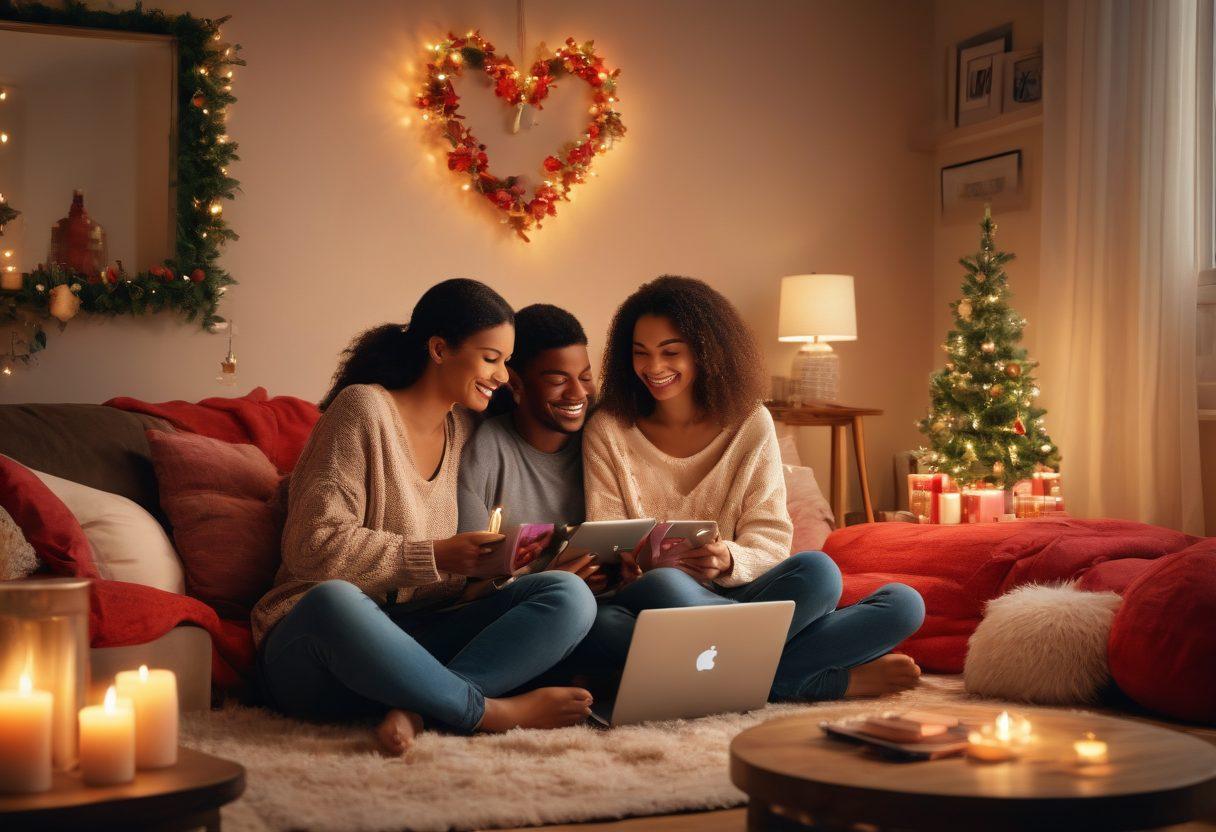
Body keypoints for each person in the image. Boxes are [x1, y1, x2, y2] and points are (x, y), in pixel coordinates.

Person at [252, 279, 597, 756]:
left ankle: (423, 706)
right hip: (321, 649)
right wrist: (438, 555)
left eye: (507, 362)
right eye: (491, 359)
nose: (502, 376)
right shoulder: (364, 409)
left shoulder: (464, 430)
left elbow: (457, 584)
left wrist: (503, 566)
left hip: (417, 638)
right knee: (334, 601)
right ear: (439, 348)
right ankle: (486, 711)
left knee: (568, 594)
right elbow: (312, 547)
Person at [580, 275, 926, 702]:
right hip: (658, 603)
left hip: (739, 592)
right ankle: (811, 681)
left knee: (841, 581)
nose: (653, 367)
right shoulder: (608, 429)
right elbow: (608, 539)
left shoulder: (749, 420)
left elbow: (770, 538)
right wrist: (629, 569)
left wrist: (726, 559)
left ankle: (705, 675)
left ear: (705, 351)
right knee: (619, 614)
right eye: (640, 353)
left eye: (670, 352)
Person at [457, 303, 603, 589]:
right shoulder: (487, 450)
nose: (578, 393)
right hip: (523, 606)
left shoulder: (600, 440)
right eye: (559, 380)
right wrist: (549, 578)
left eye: (585, 377)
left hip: (605, 601)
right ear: (516, 384)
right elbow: (467, 584)